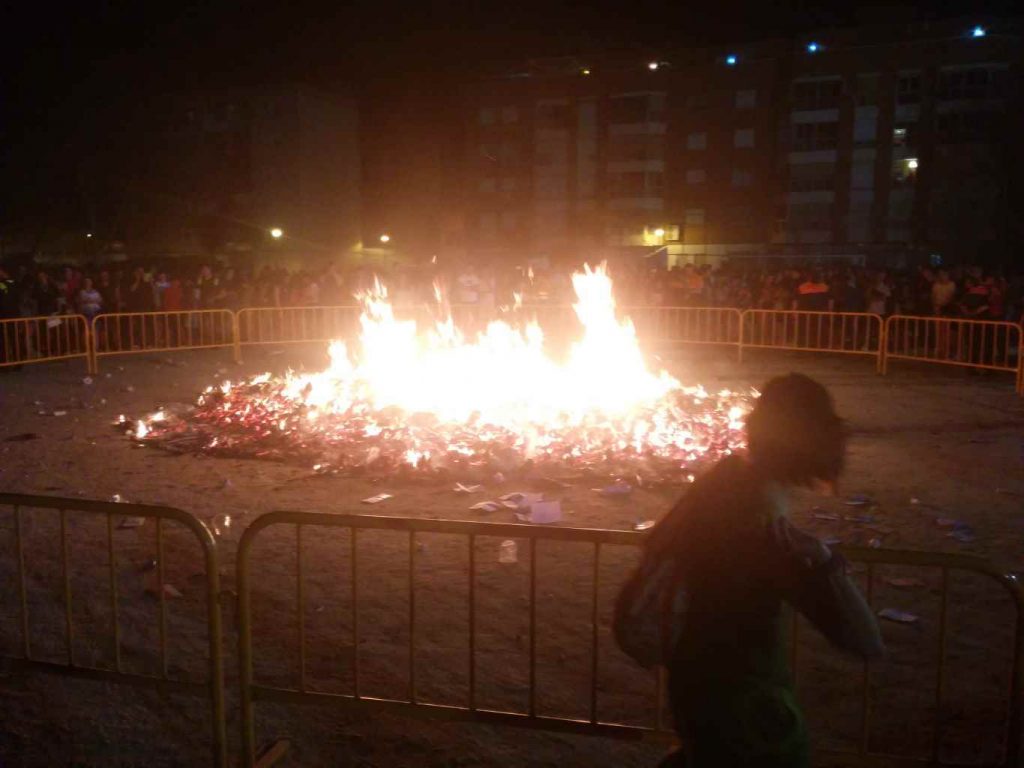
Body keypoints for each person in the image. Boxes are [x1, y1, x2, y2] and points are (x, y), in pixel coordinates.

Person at [615, 374, 883, 768]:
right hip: (751, 724)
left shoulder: (722, 482)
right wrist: (824, 561)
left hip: (695, 693)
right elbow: (865, 640)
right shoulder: (764, 527)